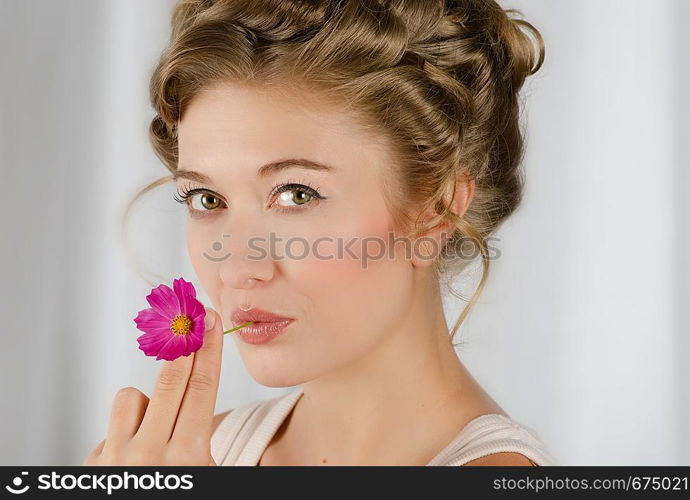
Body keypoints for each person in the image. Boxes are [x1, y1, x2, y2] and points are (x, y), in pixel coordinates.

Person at [84, 0, 554, 466]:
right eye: (207, 200)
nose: (237, 269)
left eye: (295, 195)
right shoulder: (190, 456)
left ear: (436, 210)